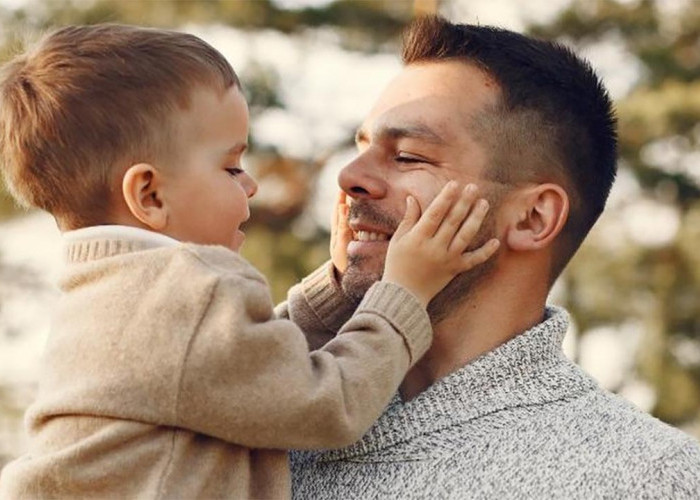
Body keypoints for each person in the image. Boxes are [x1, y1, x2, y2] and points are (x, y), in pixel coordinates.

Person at [0, 24, 501, 499]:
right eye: (231, 166)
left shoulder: (111, 292)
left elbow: (243, 370)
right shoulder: (187, 288)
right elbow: (329, 406)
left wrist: (335, 290)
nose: (251, 185)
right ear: (149, 194)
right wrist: (405, 292)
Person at [291, 15, 700, 499]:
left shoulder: (650, 478)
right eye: (361, 147)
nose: (349, 176)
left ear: (532, 218)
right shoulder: (273, 419)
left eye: (408, 157)